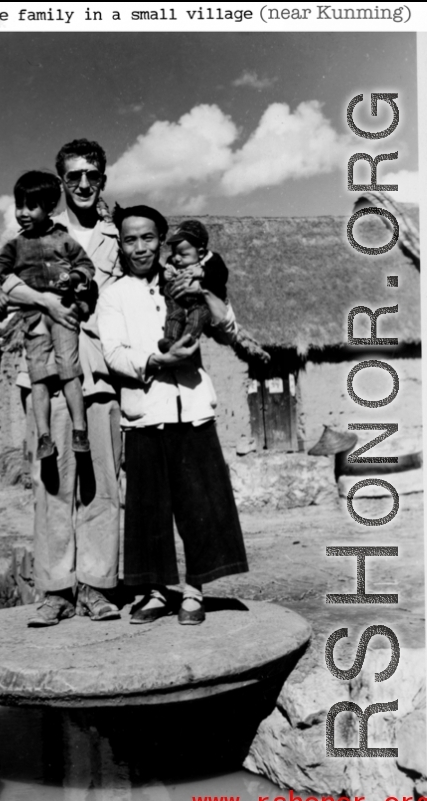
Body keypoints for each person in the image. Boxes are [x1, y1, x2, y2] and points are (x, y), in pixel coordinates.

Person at [0, 139, 123, 626]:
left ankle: (99, 586)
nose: (84, 184)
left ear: (103, 179)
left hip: (98, 374)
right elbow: (8, 284)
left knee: (101, 487)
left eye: (93, 175)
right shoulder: (30, 238)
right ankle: (57, 589)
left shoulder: (115, 235)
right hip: (42, 374)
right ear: (61, 184)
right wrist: (48, 303)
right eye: (74, 176)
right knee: (53, 485)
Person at [97, 206, 249, 626]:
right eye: (130, 239)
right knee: (148, 507)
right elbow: (113, 354)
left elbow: (224, 323)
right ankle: (153, 591)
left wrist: (206, 294)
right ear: (121, 246)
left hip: (193, 406)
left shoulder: (182, 277)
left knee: (200, 501)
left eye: (148, 238)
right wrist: (158, 358)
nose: (140, 247)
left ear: (160, 240)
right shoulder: (113, 296)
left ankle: (195, 590)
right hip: (145, 410)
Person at [0, 171, 96, 460]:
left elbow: (86, 266)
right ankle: (44, 437)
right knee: (38, 376)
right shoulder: (15, 246)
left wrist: (74, 278)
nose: (23, 213)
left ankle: (79, 430)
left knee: (69, 370)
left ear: (50, 208)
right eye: (19, 205)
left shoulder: (64, 240)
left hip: (63, 313)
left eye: (31, 206)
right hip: (33, 318)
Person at [160, 219, 270, 364]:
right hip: (182, 302)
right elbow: (164, 281)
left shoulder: (212, 260)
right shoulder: (173, 261)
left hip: (206, 304)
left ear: (200, 253)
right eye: (174, 253)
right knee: (174, 315)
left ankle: (188, 340)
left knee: (197, 318)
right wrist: (165, 275)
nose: (176, 258)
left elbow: (221, 276)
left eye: (183, 254)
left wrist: (202, 273)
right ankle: (170, 339)